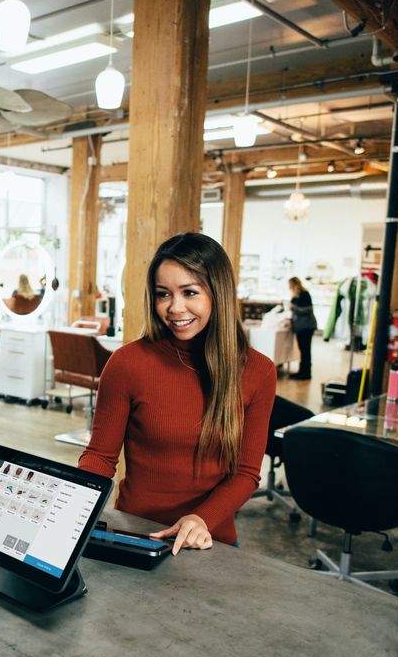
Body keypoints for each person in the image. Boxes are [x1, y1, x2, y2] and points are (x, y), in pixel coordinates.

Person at [79, 233, 276, 553]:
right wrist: (71, 505)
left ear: (218, 294)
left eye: (189, 292)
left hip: (210, 540)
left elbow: (246, 473)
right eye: (163, 294)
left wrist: (201, 519)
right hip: (136, 534)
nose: (174, 307)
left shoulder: (258, 371)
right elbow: (100, 457)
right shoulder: (128, 363)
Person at [288, 277, 317, 380]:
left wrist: (294, 308)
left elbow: (308, 310)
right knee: (303, 350)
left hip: (306, 327)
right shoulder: (295, 296)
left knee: (305, 350)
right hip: (301, 327)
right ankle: (302, 371)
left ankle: (305, 373)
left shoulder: (304, 294)